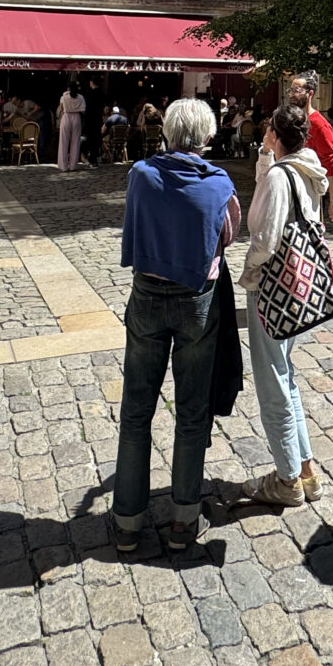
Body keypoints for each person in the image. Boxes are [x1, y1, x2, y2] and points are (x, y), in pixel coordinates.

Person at [113, 98, 240, 552]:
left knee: (136, 410)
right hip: (196, 301)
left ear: (166, 132)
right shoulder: (219, 183)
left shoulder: (142, 175)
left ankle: (127, 520)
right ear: (207, 137)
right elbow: (227, 235)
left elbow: (133, 215)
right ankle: (184, 518)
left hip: (147, 294)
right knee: (190, 412)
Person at [236, 103, 331, 507]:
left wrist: (248, 271)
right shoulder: (304, 169)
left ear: (275, 133)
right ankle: (305, 469)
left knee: (273, 381)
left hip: (272, 290)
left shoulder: (280, 176)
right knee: (286, 376)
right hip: (299, 289)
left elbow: (265, 236)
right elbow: (271, 191)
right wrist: (265, 157)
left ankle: (287, 478)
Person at [287, 72, 333, 190]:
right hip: (291, 185)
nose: (292, 95)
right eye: (291, 90)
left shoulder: (319, 124)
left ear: (310, 93)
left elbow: (330, 161)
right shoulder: (290, 119)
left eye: (297, 90)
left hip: (311, 190)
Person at [56, 81, 86, 171]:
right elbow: (83, 110)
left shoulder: (64, 97)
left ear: (68, 88)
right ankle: (73, 165)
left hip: (66, 116)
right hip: (76, 117)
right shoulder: (81, 97)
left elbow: (61, 109)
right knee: (76, 141)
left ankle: (63, 166)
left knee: (63, 141)